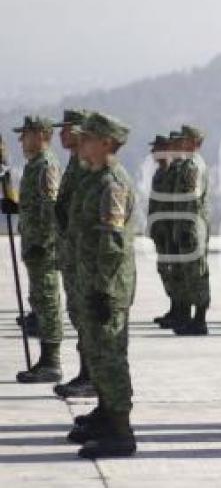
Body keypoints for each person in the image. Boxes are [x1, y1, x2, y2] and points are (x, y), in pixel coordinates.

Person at [69, 112, 137, 459]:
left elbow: (112, 243)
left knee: (109, 355)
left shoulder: (112, 182)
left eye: (88, 138)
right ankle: (106, 413)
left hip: (105, 285)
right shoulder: (94, 178)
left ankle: (121, 430)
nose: (81, 144)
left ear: (107, 142)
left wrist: (103, 290)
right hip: (91, 280)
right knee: (97, 352)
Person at [5, 116, 63, 384]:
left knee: (48, 301)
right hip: (35, 245)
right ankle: (45, 359)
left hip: (43, 247)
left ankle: (52, 362)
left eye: (25, 134)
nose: (21, 140)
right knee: (39, 300)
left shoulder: (46, 166)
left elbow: (51, 208)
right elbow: (36, 205)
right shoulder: (35, 166)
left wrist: (45, 242)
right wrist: (14, 207)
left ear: (41, 134)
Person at [53, 109, 95, 398]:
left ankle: (92, 377)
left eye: (67, 129)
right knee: (79, 316)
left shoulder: (85, 165)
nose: (61, 134)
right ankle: (85, 372)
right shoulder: (74, 162)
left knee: (87, 318)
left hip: (83, 255)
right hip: (72, 253)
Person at [170, 125, 211, 335]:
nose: (181, 143)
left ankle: (200, 319)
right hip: (187, 223)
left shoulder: (193, 165)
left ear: (195, 142)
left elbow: (191, 198)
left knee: (197, 273)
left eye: (185, 139)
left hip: (192, 225)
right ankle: (191, 317)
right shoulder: (188, 163)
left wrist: (186, 227)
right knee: (189, 272)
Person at [149, 135, 176, 327]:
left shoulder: (174, 172)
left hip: (172, 228)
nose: (153, 152)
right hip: (161, 229)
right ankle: (174, 308)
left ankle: (181, 310)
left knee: (177, 272)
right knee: (165, 271)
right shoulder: (159, 173)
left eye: (158, 148)